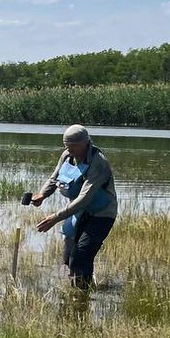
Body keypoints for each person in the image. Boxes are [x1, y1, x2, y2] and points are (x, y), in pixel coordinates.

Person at [31, 124, 117, 290]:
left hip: (101, 214)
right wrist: (43, 194)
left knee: (83, 254)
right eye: (66, 146)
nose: (68, 150)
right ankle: (77, 294)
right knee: (69, 256)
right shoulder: (67, 156)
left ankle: (83, 291)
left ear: (85, 143)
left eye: (72, 147)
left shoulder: (99, 163)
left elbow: (85, 198)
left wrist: (55, 217)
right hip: (77, 211)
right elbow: (55, 178)